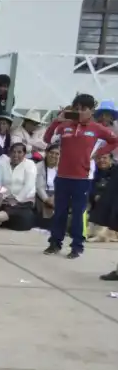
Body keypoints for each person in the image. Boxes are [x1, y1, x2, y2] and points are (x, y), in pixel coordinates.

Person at [42, 93, 118, 258]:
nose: (79, 112)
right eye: (76, 108)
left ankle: (77, 247)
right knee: (60, 211)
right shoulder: (66, 126)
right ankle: (55, 243)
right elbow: (47, 138)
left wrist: (99, 153)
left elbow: (115, 140)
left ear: (91, 111)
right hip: (62, 176)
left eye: (83, 109)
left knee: (78, 213)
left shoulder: (96, 128)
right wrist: (57, 120)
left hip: (83, 179)